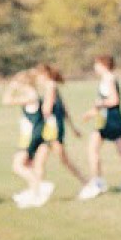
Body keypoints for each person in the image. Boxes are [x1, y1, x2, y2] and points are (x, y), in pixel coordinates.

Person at [78, 55, 121, 200]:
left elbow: (114, 100)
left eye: (97, 64)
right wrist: (91, 113)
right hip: (109, 118)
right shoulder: (107, 79)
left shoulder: (109, 79)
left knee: (94, 149)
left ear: (103, 65)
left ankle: (98, 181)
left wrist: (100, 104)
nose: (95, 67)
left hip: (110, 119)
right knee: (119, 150)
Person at [2, 70, 53, 209]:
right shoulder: (31, 94)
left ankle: (39, 188)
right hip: (29, 136)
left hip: (30, 137)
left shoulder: (31, 96)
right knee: (28, 165)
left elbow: (6, 101)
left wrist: (11, 88)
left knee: (17, 166)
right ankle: (34, 193)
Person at [34, 64, 89, 194]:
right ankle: (36, 190)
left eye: (38, 76)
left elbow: (47, 110)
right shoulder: (52, 87)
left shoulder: (50, 87)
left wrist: (35, 110)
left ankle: (87, 184)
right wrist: (73, 128)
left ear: (44, 75)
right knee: (40, 160)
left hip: (53, 129)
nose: (38, 79)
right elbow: (64, 110)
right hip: (51, 128)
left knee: (63, 159)